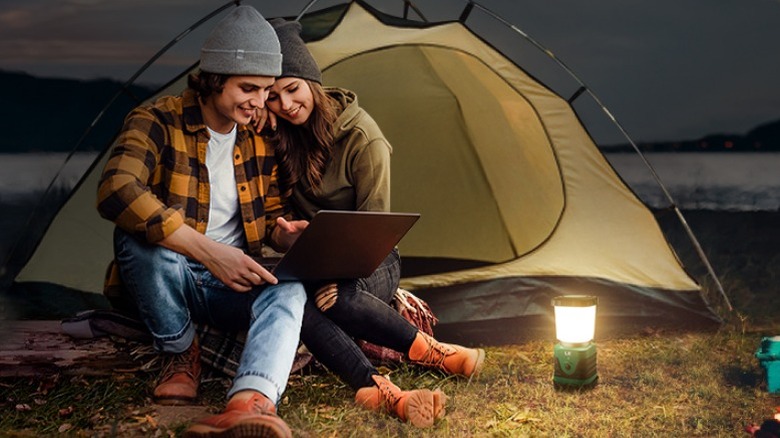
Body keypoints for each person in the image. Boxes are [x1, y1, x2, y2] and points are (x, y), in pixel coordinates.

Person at [256, 19, 486, 428]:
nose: (286, 105)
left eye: (292, 90)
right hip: (313, 260)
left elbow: (374, 232)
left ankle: (433, 352)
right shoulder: (280, 137)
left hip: (373, 258)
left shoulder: (364, 137)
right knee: (299, 303)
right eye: (272, 98)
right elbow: (273, 212)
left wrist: (334, 261)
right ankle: (377, 390)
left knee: (334, 298)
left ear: (312, 81)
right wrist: (283, 232)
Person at [96, 7, 308, 438]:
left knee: (290, 288)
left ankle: (248, 403)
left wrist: (280, 233)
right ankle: (180, 352)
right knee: (138, 240)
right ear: (214, 78)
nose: (259, 102)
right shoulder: (156, 120)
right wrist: (211, 253)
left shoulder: (257, 137)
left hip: (227, 285)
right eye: (248, 88)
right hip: (170, 275)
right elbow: (116, 189)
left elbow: (264, 214)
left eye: (266, 90)